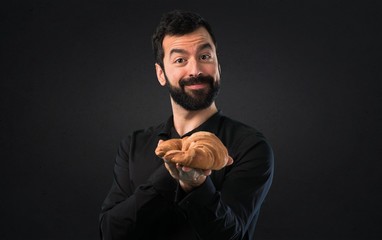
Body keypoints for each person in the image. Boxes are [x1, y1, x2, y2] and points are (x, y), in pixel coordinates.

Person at [99, 9, 274, 240]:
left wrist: (198, 187)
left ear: (218, 65)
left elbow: (233, 236)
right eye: (180, 60)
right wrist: (167, 177)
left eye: (205, 57)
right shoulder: (133, 145)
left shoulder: (250, 146)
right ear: (161, 74)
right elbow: (110, 232)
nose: (196, 70)